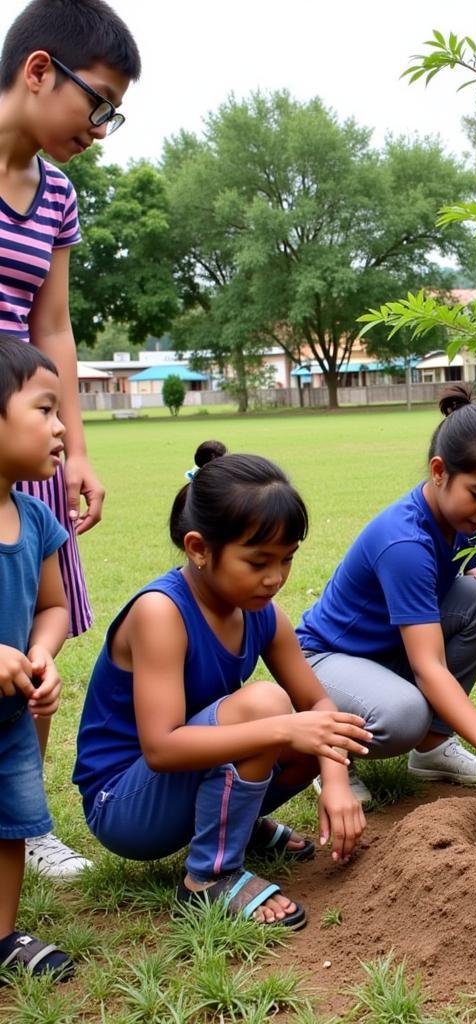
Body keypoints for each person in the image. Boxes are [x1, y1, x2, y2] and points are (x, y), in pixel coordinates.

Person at [73, 441, 372, 928]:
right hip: (124, 806)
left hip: (178, 780)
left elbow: (318, 703)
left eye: (287, 559)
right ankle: (210, 877)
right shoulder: (161, 612)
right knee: (269, 708)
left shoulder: (263, 615)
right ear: (199, 549)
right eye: (258, 562)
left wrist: (334, 783)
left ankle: (239, 828)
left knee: (309, 731)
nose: (275, 578)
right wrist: (283, 730)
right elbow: (162, 749)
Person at [0, 0, 141, 878]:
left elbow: (54, 326)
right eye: (99, 104)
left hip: (26, 434)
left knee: (31, 626)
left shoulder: (55, 193)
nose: (101, 128)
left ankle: (25, 815)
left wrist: (73, 446)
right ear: (40, 69)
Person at [297, 383, 476, 798]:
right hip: (327, 662)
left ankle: (433, 748)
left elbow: (439, 579)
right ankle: (329, 750)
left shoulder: (459, 520)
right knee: (404, 714)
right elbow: (428, 667)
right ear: (439, 471)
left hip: (386, 649)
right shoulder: (404, 543)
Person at [0, 339, 73, 980]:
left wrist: (41, 654)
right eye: (46, 410)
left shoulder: (37, 519)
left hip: (8, 714)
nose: (61, 427)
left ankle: (1, 936)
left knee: (11, 823)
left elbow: (54, 607)